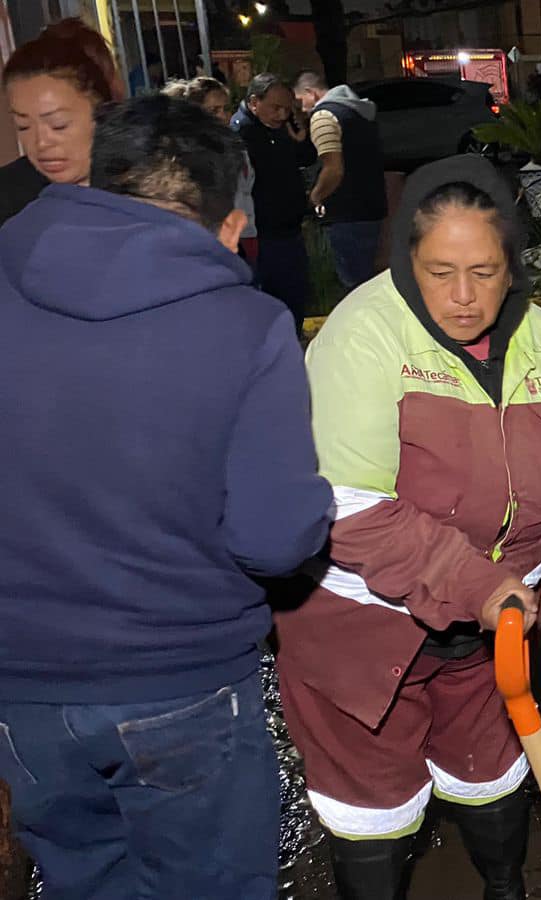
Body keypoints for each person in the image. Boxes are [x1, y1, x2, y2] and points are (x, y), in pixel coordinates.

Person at [0, 94, 332, 900]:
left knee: (81, 881)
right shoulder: (247, 327)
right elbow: (272, 539)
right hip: (181, 679)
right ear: (227, 223)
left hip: (23, 690)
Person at [275, 155, 541, 900]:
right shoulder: (362, 337)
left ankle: (505, 888)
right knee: (375, 809)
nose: (462, 297)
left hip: (493, 632)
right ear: (404, 258)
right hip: (367, 628)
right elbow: (350, 509)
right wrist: (483, 586)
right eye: (439, 269)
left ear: (513, 264)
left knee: (490, 774)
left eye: (484, 271)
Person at [0, 19, 123, 227]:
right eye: (23, 126)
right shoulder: (10, 201)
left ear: (104, 112)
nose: (41, 144)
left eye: (59, 125)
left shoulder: (156, 190)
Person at [233, 73, 315, 333]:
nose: (281, 115)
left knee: (294, 300)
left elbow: (305, 159)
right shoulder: (241, 133)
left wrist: (301, 140)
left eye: (286, 109)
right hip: (262, 235)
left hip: (289, 230)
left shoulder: (281, 129)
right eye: (275, 108)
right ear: (254, 102)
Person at [294, 70, 388, 288]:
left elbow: (333, 169)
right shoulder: (359, 112)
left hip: (345, 212)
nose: (301, 108)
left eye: (300, 100)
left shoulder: (324, 116)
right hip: (370, 207)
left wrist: (314, 197)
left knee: (351, 285)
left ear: (311, 93)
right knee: (367, 284)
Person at [165, 76, 259, 262]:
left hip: (245, 231)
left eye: (225, 109)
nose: (223, 116)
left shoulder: (232, 143)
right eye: (214, 110)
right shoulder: (185, 151)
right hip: (214, 240)